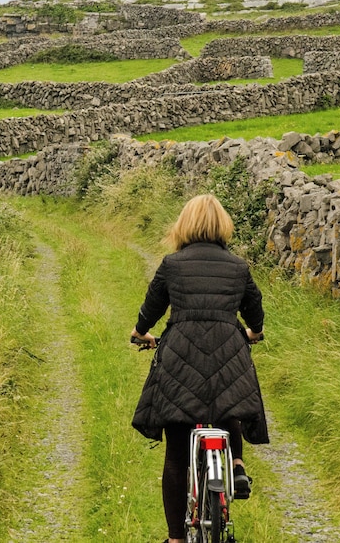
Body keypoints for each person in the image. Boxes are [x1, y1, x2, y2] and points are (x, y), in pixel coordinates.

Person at [129, 194, 268, 543]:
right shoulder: (238, 267)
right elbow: (255, 313)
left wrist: (141, 333)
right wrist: (253, 333)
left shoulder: (172, 264)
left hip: (179, 356)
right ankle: (235, 464)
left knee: (176, 454)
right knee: (227, 394)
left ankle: (176, 538)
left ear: (184, 225)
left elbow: (150, 310)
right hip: (229, 349)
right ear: (223, 225)